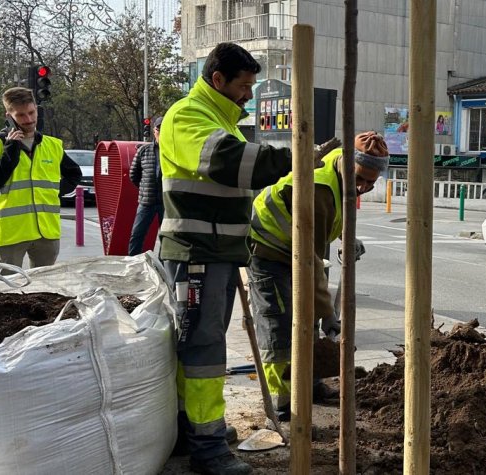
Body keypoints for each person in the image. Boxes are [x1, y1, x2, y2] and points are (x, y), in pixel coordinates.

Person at [158, 42, 295, 475]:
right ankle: (207, 445)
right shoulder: (187, 115)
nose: (249, 95)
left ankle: (191, 428)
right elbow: (229, 163)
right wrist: (294, 157)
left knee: (198, 345)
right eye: (243, 85)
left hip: (213, 252)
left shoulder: (220, 119)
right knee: (203, 351)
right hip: (196, 253)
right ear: (218, 80)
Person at [248, 131, 388, 422]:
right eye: (359, 178)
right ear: (348, 164)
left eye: (370, 183)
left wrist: (349, 240)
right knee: (279, 323)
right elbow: (310, 260)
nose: (361, 187)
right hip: (269, 249)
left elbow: (331, 224)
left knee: (306, 318)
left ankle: (308, 383)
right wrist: (328, 315)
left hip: (296, 248)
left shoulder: (341, 174)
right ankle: (281, 398)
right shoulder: (320, 187)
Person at [0, 87, 81, 271]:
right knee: (10, 289)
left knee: (45, 289)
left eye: (31, 113)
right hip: (11, 231)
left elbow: (74, 174)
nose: (29, 120)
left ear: (37, 109)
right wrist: (10, 151)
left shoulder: (52, 145)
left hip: (46, 231)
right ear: (9, 115)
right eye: (21, 115)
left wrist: (53, 192)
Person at [128, 116, 164, 256]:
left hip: (165, 201)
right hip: (146, 201)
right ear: (154, 131)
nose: (161, 132)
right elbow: (133, 175)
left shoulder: (172, 151)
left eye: (164, 129)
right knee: (137, 234)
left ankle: (164, 266)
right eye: (158, 129)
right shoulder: (144, 150)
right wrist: (144, 189)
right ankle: (133, 262)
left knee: (167, 237)